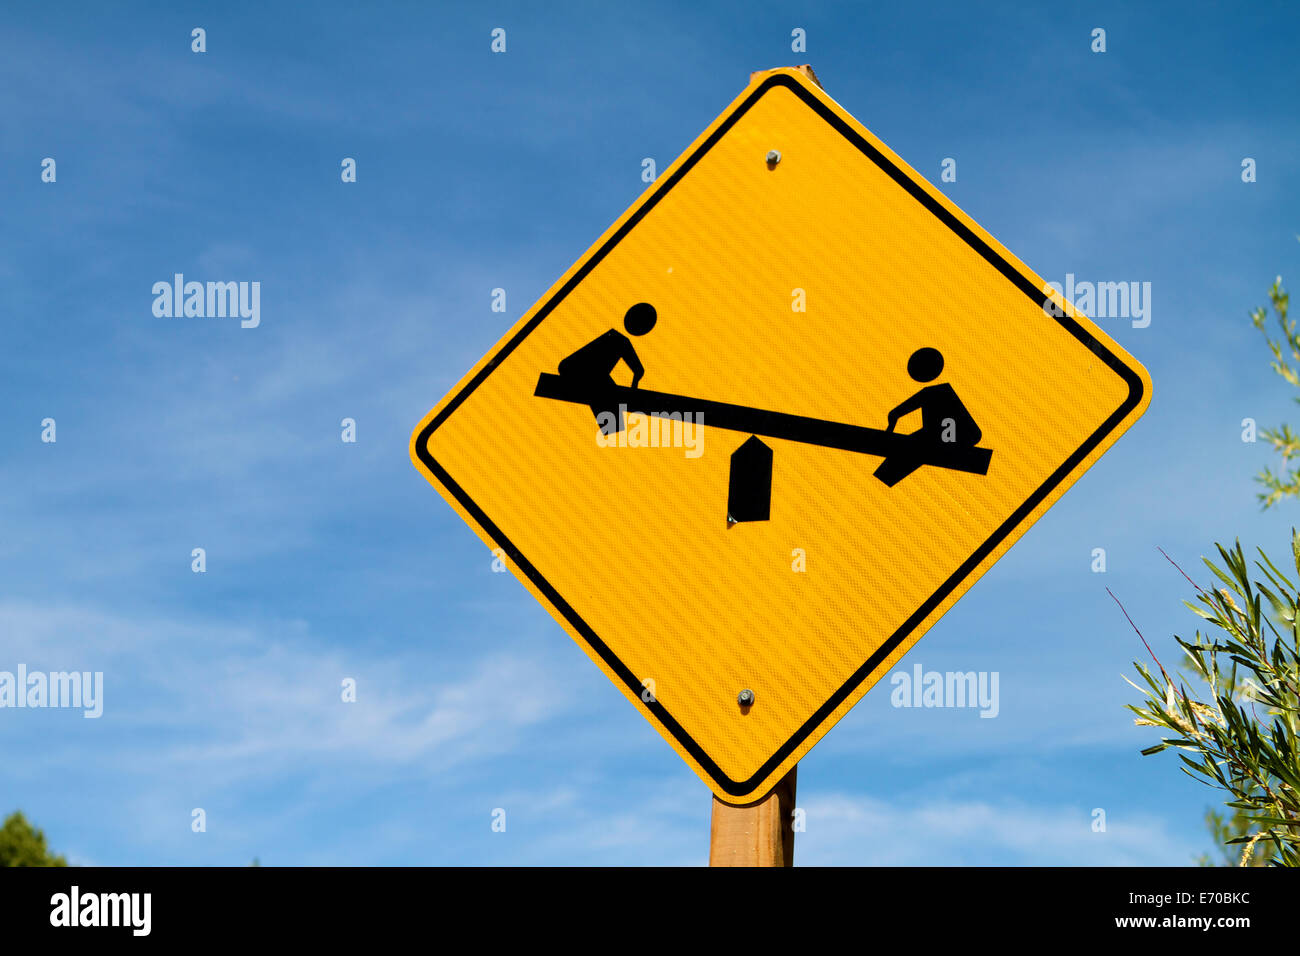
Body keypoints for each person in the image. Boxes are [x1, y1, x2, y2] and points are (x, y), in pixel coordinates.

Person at [875, 347, 981, 486]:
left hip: (947, 438)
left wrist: (889, 431)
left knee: (901, 457)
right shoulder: (939, 392)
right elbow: (895, 413)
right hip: (951, 437)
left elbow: (895, 414)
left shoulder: (934, 393)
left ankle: (882, 479)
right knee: (905, 453)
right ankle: (881, 480)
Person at [557, 302, 657, 432]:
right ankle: (612, 431)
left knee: (608, 398)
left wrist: (633, 389)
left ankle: (611, 432)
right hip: (582, 371)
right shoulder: (619, 340)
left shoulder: (616, 338)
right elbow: (638, 370)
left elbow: (638, 370)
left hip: (581, 371)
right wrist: (633, 390)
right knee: (609, 398)